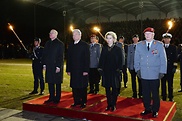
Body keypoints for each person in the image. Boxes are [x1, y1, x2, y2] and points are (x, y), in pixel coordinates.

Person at [134, 27, 167, 118]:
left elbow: (163, 60)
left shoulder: (159, 45)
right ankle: (147, 108)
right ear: (144, 35)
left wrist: (162, 71)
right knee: (145, 93)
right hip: (144, 73)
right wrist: (137, 70)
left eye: (150, 34)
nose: (148, 35)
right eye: (146, 34)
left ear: (153, 35)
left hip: (155, 73)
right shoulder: (140, 45)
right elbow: (136, 59)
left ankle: (155, 110)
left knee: (155, 93)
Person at [98, 31, 123, 112]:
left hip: (115, 72)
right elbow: (101, 59)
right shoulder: (104, 49)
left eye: (110, 38)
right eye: (107, 38)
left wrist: (119, 69)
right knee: (107, 89)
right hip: (106, 72)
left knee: (115, 89)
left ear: (114, 39)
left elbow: (121, 60)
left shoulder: (118, 49)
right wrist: (100, 68)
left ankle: (114, 104)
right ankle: (109, 104)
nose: (108, 40)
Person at [66, 29, 90, 108]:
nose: (74, 36)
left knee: (82, 87)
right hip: (73, 70)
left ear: (80, 35)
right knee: (74, 86)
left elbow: (87, 59)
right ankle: (76, 101)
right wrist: (68, 69)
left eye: (75, 34)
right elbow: (68, 58)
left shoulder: (85, 45)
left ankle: (83, 101)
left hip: (82, 70)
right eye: (73, 35)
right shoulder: (71, 45)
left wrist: (86, 70)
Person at [42, 29, 64, 104]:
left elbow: (61, 56)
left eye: (52, 33)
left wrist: (58, 66)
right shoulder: (47, 43)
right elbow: (44, 55)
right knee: (50, 82)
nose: (50, 34)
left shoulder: (60, 43)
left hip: (56, 66)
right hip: (49, 66)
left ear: (56, 34)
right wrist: (44, 64)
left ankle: (57, 98)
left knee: (57, 83)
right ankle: (51, 97)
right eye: (50, 33)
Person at [161, 33, 177, 101]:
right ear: (163, 39)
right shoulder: (161, 47)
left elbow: (175, 58)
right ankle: (164, 97)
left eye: (168, 38)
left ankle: (170, 97)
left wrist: (174, 67)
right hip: (163, 69)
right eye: (165, 38)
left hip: (170, 68)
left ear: (170, 39)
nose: (167, 40)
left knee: (170, 84)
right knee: (163, 84)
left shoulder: (173, 47)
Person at [127, 34, 142, 98]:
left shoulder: (141, 46)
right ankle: (134, 93)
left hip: (139, 67)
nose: (135, 39)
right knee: (133, 81)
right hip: (132, 66)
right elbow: (128, 57)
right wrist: (128, 66)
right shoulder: (130, 46)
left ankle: (141, 93)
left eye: (136, 38)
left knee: (140, 81)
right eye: (134, 38)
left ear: (138, 39)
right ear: (132, 39)